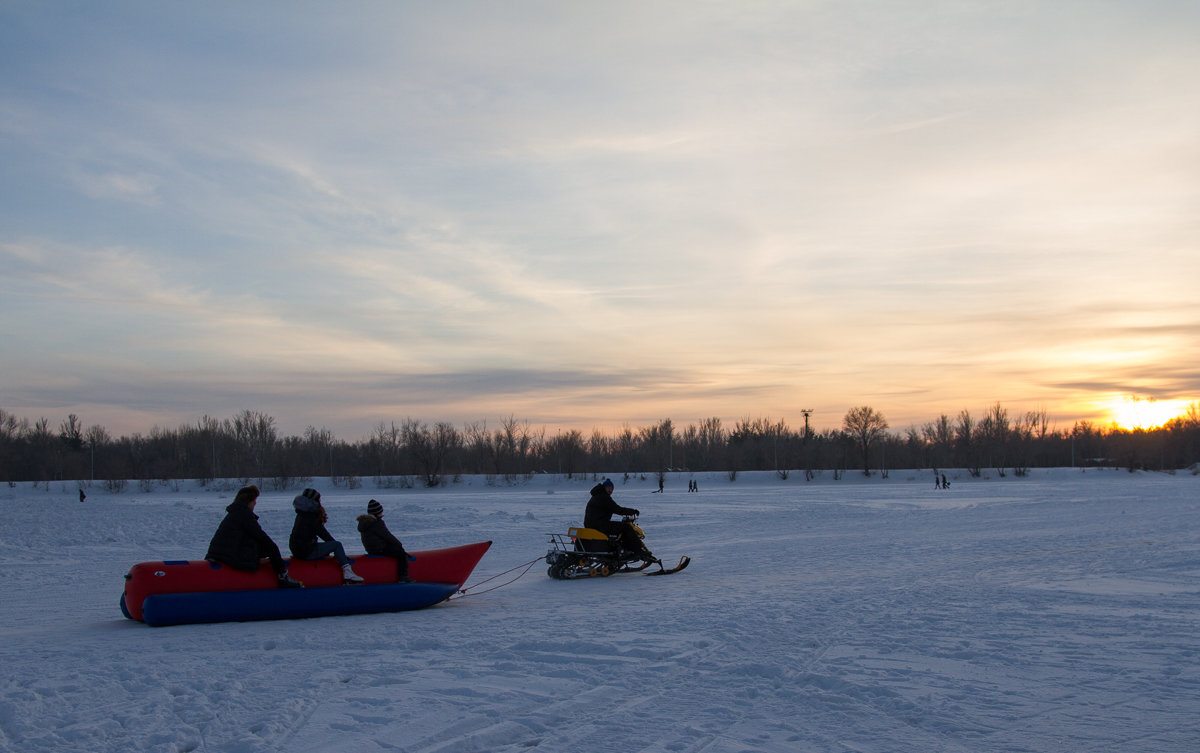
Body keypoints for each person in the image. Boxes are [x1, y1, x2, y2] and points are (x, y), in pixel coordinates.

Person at [205, 484, 303, 588]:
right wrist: (262, 557)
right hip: (230, 555)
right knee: (271, 548)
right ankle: (283, 577)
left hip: (218, 554)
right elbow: (263, 538)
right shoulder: (244, 515)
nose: (255, 505)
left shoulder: (234, 513)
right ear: (249, 502)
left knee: (257, 546)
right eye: (254, 503)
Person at [289, 488, 364, 583]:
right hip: (306, 552)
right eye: (319, 500)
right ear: (314, 501)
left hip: (297, 550)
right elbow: (324, 535)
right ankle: (348, 572)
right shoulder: (311, 517)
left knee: (327, 547)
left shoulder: (302, 513)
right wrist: (341, 554)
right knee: (337, 545)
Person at [584, 478, 653, 561]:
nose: (610, 490)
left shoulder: (597, 496)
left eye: (612, 488)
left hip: (593, 524)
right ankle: (638, 551)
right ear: (604, 487)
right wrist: (632, 511)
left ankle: (624, 550)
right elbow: (617, 509)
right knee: (626, 527)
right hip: (600, 525)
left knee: (620, 528)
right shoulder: (603, 497)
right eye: (608, 488)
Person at [357, 499, 412, 582]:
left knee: (395, 549)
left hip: (371, 549)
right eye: (380, 512)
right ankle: (403, 576)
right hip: (379, 548)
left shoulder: (365, 522)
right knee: (400, 554)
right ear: (377, 513)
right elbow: (388, 536)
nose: (382, 514)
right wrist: (399, 545)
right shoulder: (376, 523)